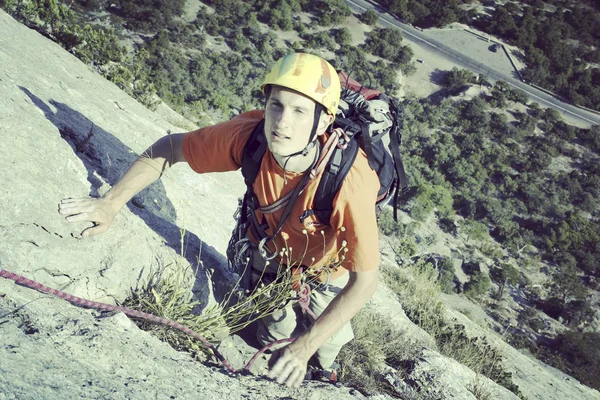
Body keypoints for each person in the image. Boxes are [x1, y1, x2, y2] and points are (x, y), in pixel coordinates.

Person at [58, 53, 380, 388]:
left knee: (324, 347)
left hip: (324, 270)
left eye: (300, 111)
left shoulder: (349, 180)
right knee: (270, 337)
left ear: (324, 121)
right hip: (269, 252)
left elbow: (365, 283)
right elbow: (170, 148)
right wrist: (110, 204)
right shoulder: (249, 137)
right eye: (276, 105)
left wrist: (305, 347)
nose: (282, 122)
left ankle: (325, 371)